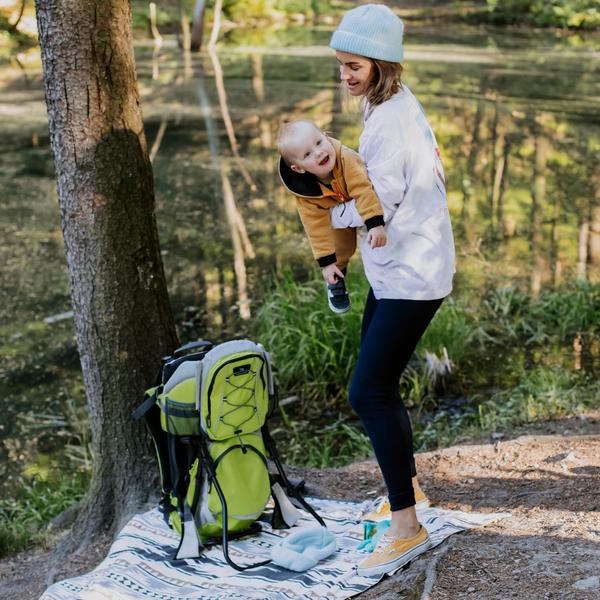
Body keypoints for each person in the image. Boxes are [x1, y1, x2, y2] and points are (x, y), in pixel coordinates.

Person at [328, 4, 456, 576]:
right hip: (398, 269)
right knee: (376, 384)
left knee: (368, 393)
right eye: (341, 65)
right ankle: (411, 493)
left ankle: (405, 527)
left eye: (354, 65)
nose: (346, 75)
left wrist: (328, 210)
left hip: (412, 275)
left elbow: (384, 202)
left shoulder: (391, 120)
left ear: (382, 64)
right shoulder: (386, 106)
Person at [277, 120, 387, 313]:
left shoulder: (346, 159)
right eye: (307, 154)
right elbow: (315, 227)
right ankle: (336, 278)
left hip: (360, 203)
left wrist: (375, 223)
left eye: (319, 142)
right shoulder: (304, 192)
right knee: (342, 249)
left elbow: (363, 190)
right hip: (335, 215)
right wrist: (326, 264)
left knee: (376, 244)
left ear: (326, 136)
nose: (318, 152)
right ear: (299, 168)